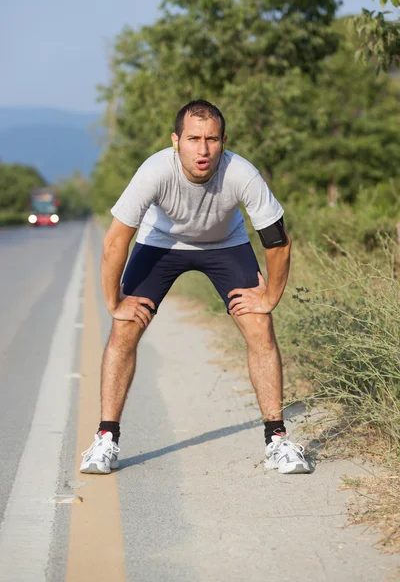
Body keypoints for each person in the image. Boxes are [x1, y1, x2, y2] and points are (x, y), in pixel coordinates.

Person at [80, 99, 310, 475]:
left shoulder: (241, 173)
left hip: (225, 245)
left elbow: (278, 242)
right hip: (161, 244)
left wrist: (269, 298)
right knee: (125, 328)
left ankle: (278, 442)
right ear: (176, 141)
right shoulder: (155, 171)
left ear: (223, 141)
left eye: (212, 139)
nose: (202, 150)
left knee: (259, 324)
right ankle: (105, 440)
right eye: (193, 139)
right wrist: (113, 301)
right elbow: (115, 241)